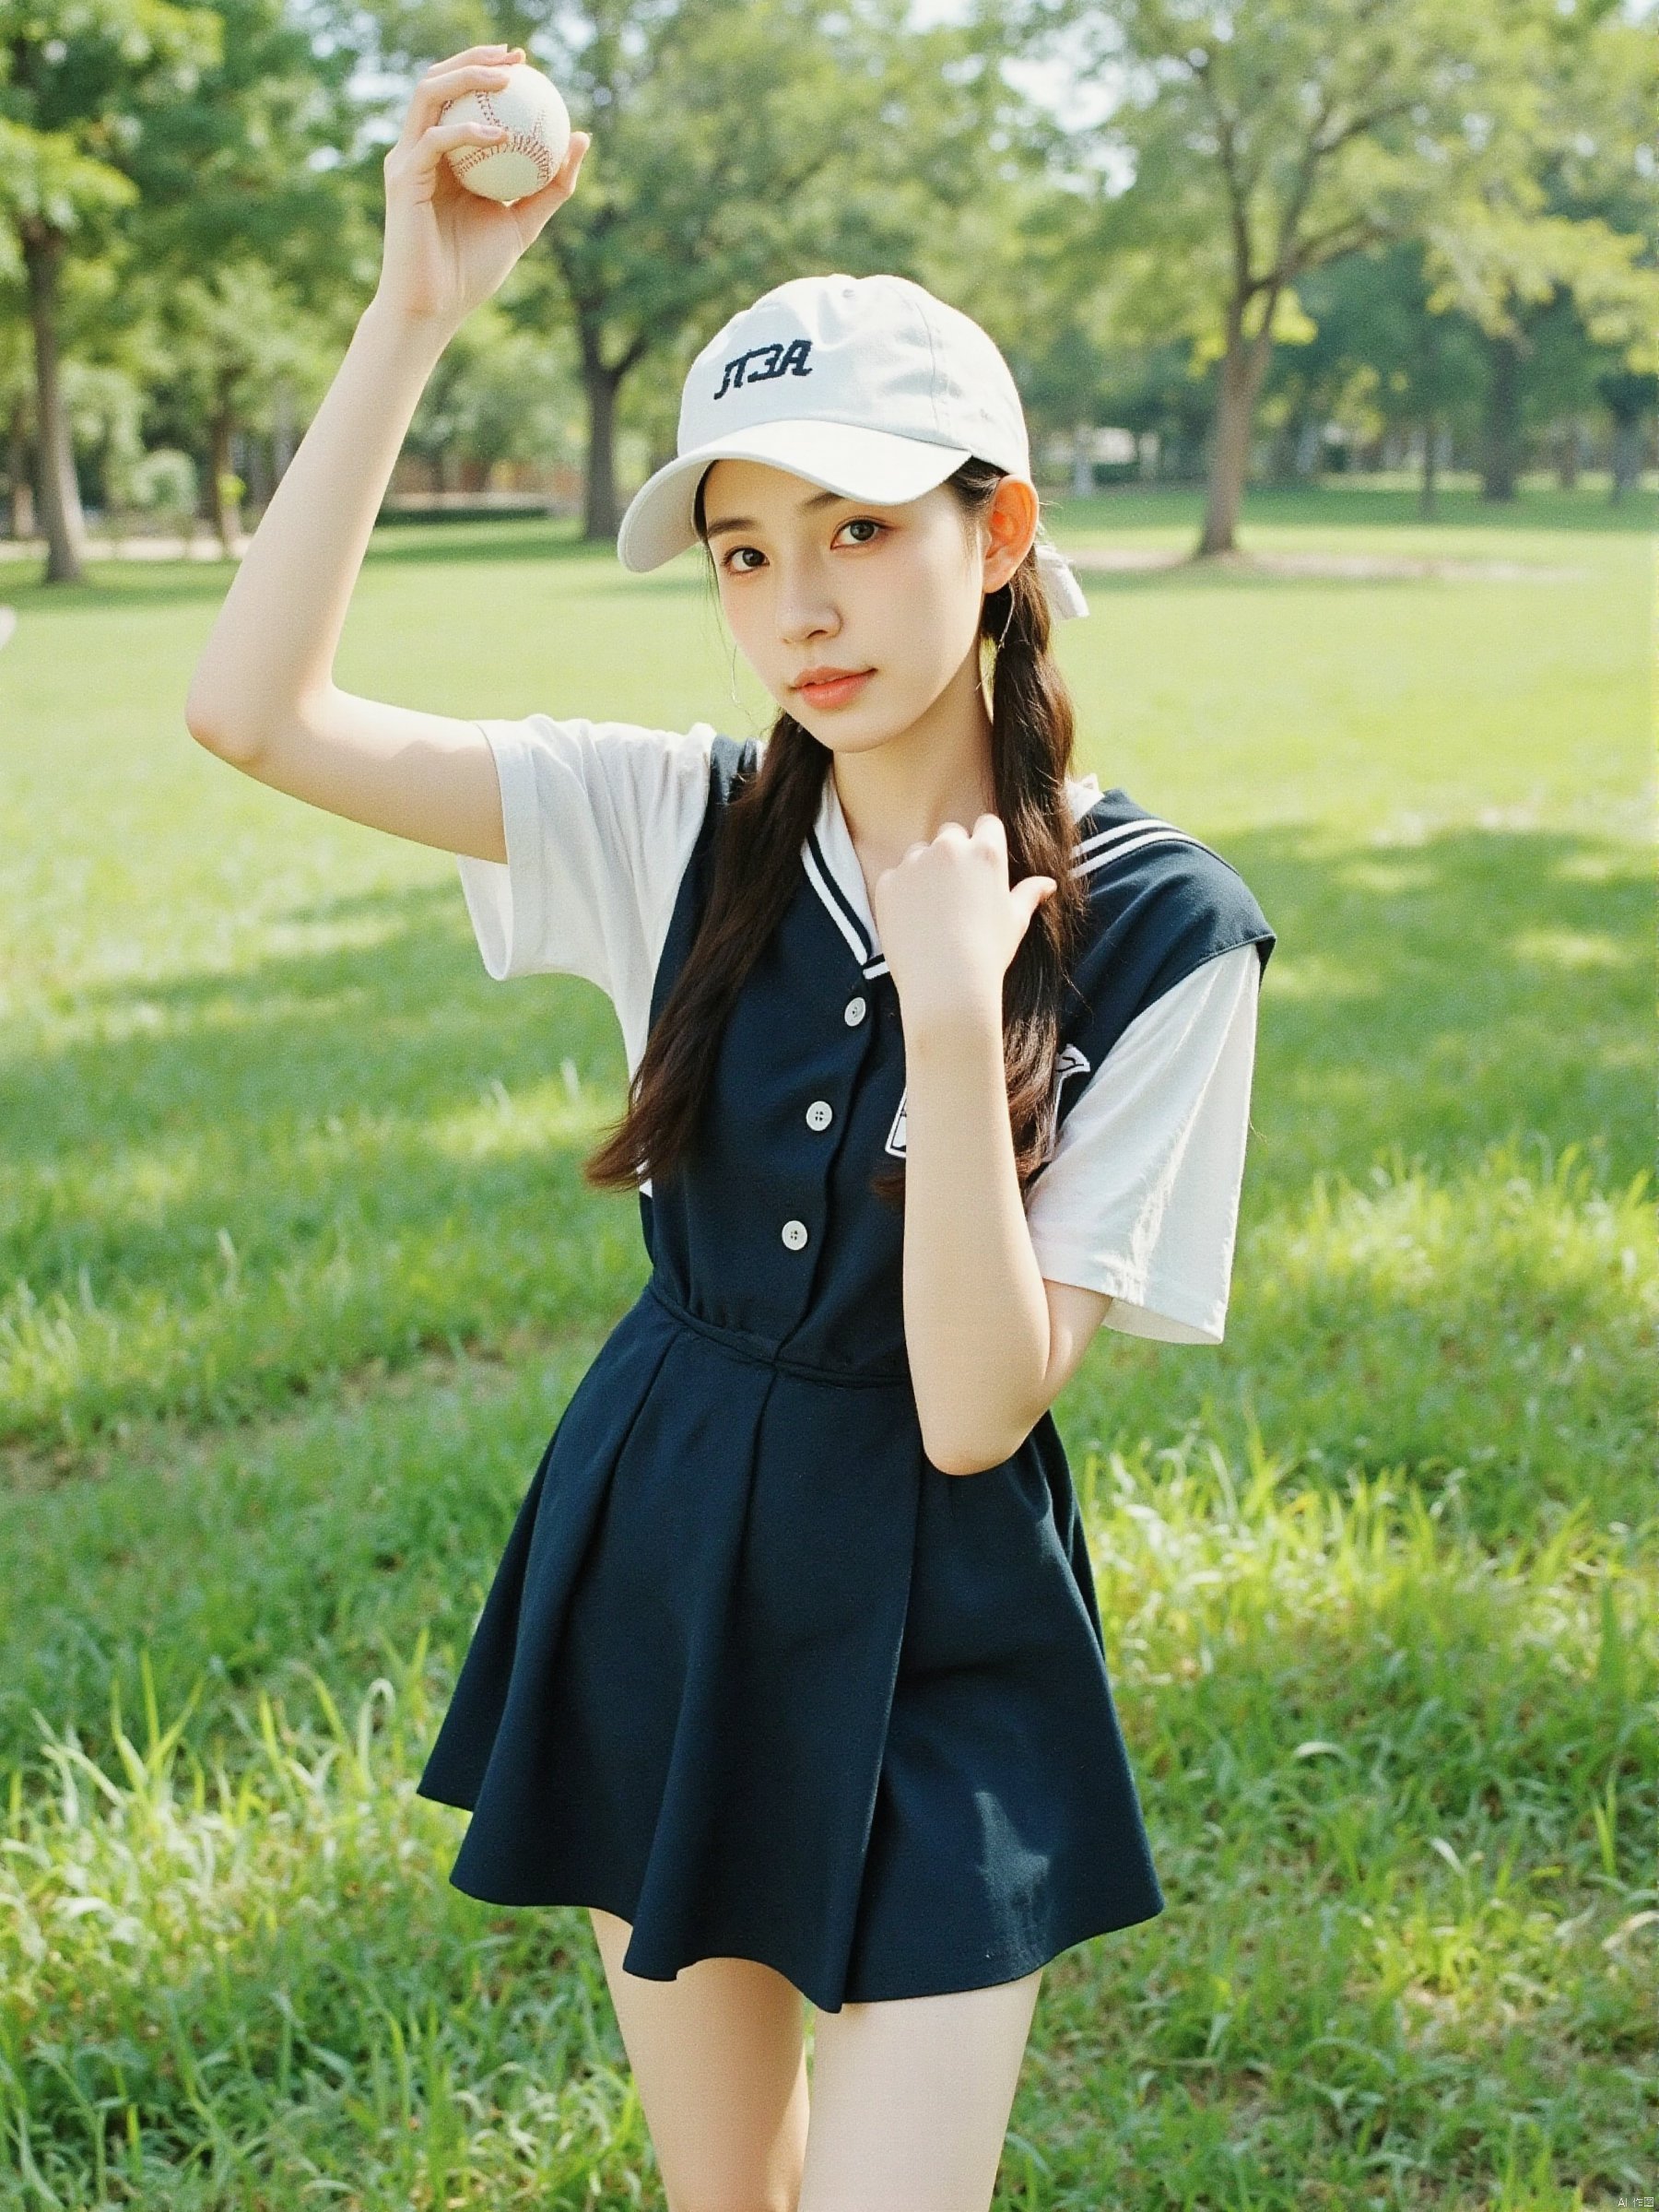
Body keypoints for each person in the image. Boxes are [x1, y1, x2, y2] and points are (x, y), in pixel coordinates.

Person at [184, 41, 1275, 2212]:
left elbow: (976, 1409)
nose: (799, 606)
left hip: (945, 1618)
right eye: (745, 547)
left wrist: (965, 1034)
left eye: (862, 531)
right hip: (668, 1546)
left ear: (1001, 531)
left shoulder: (1170, 934)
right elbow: (255, 713)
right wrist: (414, 314)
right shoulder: (673, 818)